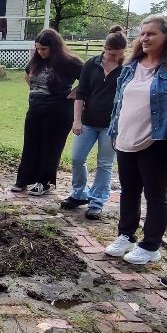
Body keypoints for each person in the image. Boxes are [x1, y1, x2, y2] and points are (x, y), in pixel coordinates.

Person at [105, 14, 167, 265]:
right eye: (143, 33)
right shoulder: (132, 64)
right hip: (126, 137)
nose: (145, 38)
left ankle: (150, 245)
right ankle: (126, 235)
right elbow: (120, 102)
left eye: (152, 34)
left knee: (155, 194)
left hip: (158, 140)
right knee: (129, 190)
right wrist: (115, 131)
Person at [61, 26, 128, 219]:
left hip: (111, 125)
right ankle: (79, 193)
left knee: (104, 164)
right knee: (77, 158)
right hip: (88, 121)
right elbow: (81, 93)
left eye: (119, 54)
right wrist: (77, 120)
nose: (115, 58)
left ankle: (97, 201)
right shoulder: (92, 64)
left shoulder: (127, 68)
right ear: (104, 49)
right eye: (111, 54)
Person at [12, 29, 84, 196]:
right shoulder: (37, 61)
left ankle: (44, 182)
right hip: (35, 109)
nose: (40, 52)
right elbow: (27, 74)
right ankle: (23, 180)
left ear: (54, 46)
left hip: (58, 111)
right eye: (38, 48)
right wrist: (36, 90)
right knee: (30, 145)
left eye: (44, 49)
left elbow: (88, 79)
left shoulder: (69, 62)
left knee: (51, 147)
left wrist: (73, 94)